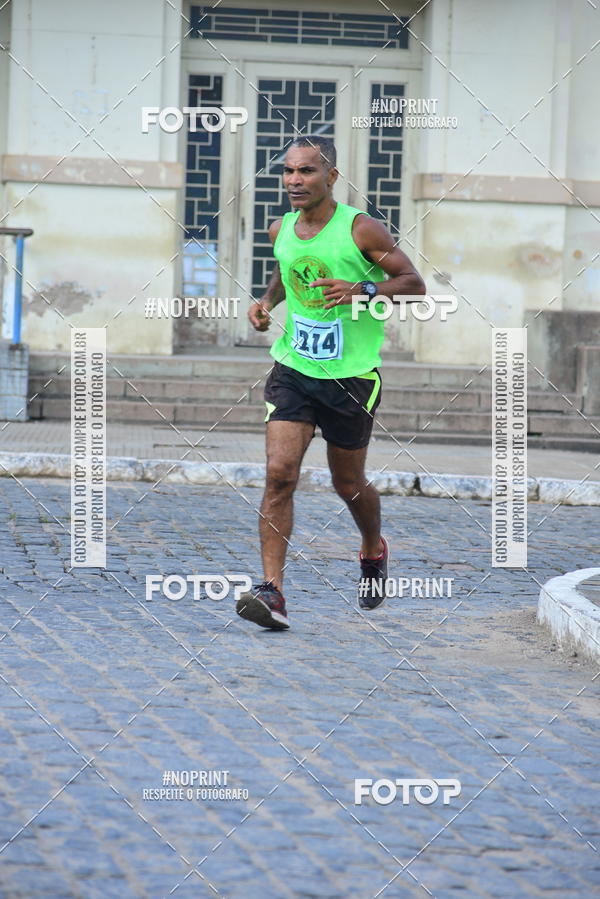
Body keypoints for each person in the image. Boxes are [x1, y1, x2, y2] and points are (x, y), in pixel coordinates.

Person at [236, 135, 426, 630]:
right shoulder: (281, 227)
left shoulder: (361, 230)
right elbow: (286, 272)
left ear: (331, 177)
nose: (294, 181)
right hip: (294, 370)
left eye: (306, 172)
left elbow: (413, 284)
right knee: (280, 474)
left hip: (351, 378)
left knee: (347, 482)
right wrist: (266, 304)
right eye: (288, 172)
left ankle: (371, 548)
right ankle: (272, 593)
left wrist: (361, 288)